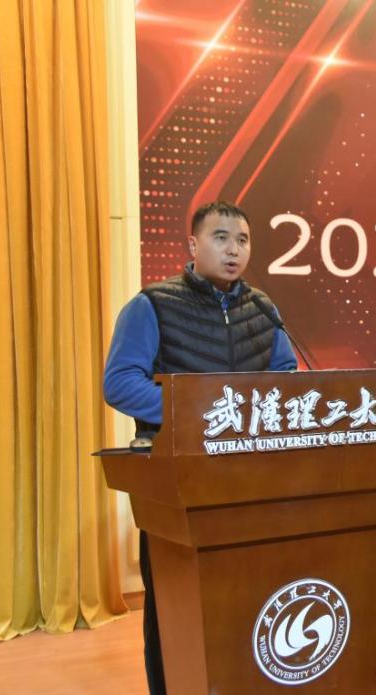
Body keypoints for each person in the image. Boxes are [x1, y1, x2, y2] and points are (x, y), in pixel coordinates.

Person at [103, 200, 297, 695]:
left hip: (252, 479)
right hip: (178, 482)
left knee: (248, 600)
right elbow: (121, 383)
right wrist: (200, 413)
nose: (233, 250)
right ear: (193, 244)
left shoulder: (263, 309)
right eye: (220, 237)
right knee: (176, 610)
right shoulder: (153, 304)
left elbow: (285, 376)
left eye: (243, 240)